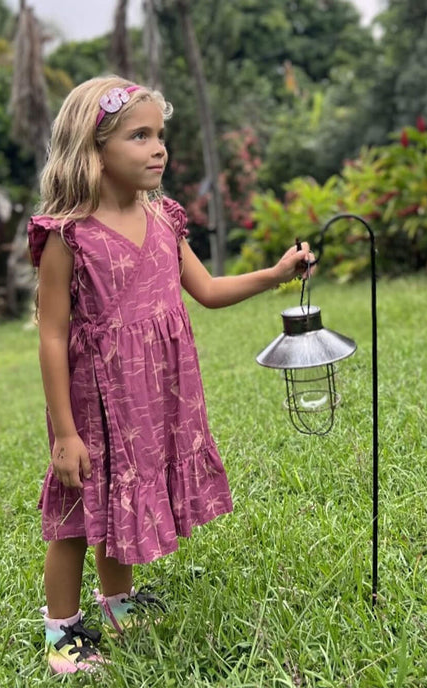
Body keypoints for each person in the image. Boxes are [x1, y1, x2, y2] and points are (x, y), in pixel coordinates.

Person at [27, 75, 314, 675]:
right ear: (94, 148)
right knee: (80, 516)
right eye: (139, 136)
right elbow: (51, 334)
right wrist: (65, 432)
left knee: (124, 498)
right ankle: (62, 634)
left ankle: (118, 602)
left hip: (153, 396)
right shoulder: (69, 237)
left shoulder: (165, 219)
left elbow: (206, 290)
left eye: (161, 135)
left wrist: (277, 273)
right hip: (97, 403)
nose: (159, 148)